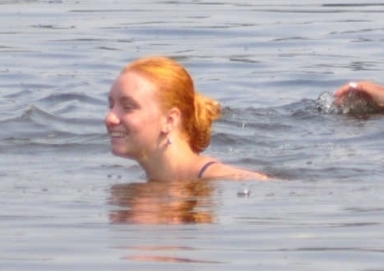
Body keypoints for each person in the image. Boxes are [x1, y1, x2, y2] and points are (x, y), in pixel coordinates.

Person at [105, 56, 268, 181]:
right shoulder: (150, 182)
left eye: (128, 107)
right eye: (111, 105)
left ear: (169, 120)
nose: (110, 118)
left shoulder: (223, 180)